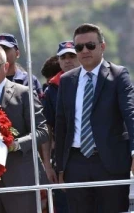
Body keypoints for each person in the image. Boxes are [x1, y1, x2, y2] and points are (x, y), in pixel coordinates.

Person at [55, 23, 134, 213]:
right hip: (75, 164)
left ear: (102, 47)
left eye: (90, 45)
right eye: (79, 47)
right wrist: (60, 167)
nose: (84, 51)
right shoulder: (67, 80)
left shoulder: (118, 75)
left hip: (111, 163)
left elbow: (130, 114)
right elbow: (61, 124)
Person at [0, 43, 49, 213]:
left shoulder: (24, 93)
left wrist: (15, 144)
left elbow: (42, 131)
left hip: (20, 182)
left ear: (6, 66)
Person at [42, 41, 80, 213]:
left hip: (94, 156)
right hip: (63, 160)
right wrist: (48, 166)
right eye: (63, 57)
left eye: (71, 55)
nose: (67, 60)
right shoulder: (51, 90)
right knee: (65, 205)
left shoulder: (96, 82)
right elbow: (47, 129)